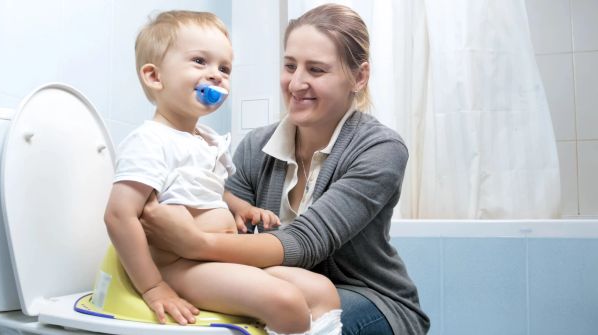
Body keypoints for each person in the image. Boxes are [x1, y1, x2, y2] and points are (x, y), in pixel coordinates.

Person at [139, 4, 431, 335]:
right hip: (277, 282)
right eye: (290, 66)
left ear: (359, 77)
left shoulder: (380, 149)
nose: (296, 83)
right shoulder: (255, 146)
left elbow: (305, 244)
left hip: (369, 295)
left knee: (290, 315)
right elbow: (223, 222)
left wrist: (191, 243)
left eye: (317, 70)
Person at [104, 10, 343, 335]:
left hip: (212, 258)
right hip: (177, 264)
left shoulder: (207, 140)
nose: (216, 74)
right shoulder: (150, 141)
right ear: (154, 76)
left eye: (224, 68)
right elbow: (119, 216)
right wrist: (153, 286)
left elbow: (211, 190)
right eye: (200, 61)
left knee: (322, 291)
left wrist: (239, 208)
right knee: (284, 301)